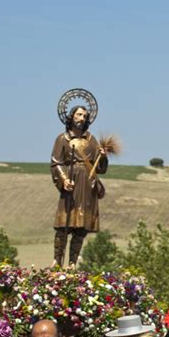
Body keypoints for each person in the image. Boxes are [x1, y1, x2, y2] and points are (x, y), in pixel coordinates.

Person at [51, 104, 108, 267]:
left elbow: (100, 168)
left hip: (87, 184)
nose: (82, 118)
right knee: (63, 224)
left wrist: (102, 157)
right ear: (71, 116)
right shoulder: (62, 139)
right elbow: (56, 163)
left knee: (81, 227)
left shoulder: (92, 140)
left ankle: (72, 262)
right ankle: (57, 259)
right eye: (79, 115)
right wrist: (64, 179)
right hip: (71, 181)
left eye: (84, 116)